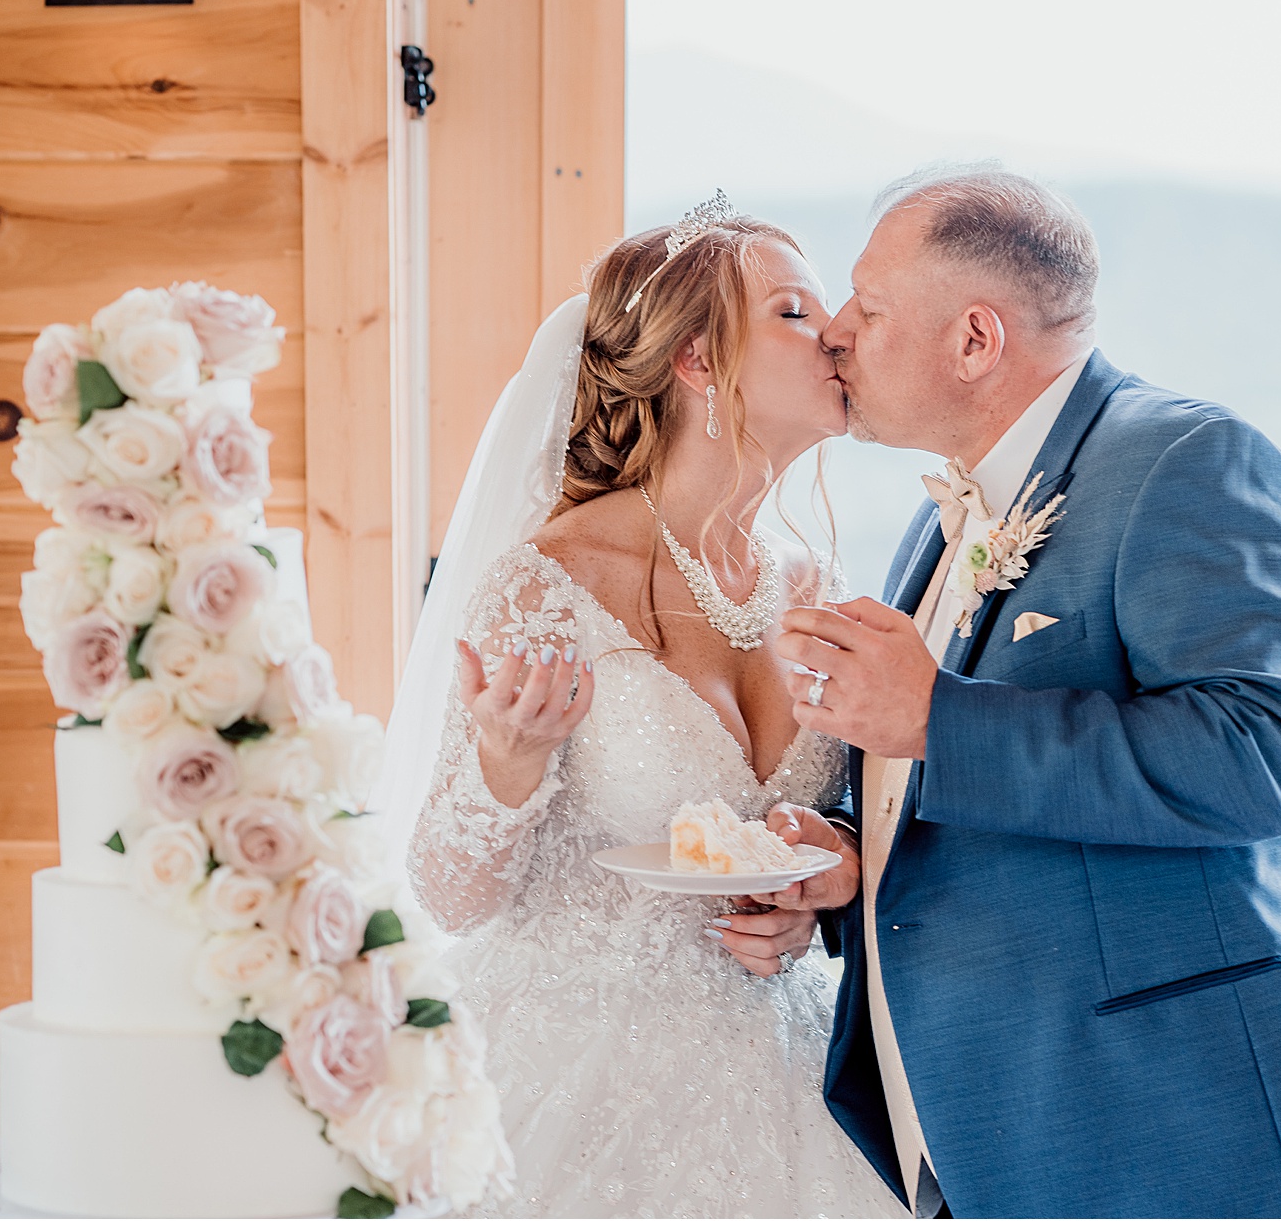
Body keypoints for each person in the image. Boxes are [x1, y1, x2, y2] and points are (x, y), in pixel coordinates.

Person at [761, 167, 1281, 1218]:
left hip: (1178, 1134)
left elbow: (1256, 759)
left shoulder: (1190, 462)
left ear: (974, 340)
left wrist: (935, 719)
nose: (839, 332)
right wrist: (846, 857)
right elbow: (948, 789)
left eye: (869, 304)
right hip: (995, 1127)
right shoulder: (940, 515)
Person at [380, 196, 904, 1217]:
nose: (836, 331)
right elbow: (448, 894)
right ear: (699, 364)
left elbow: (837, 824)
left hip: (787, 1070)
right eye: (795, 313)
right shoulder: (548, 584)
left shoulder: (814, 583)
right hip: (577, 1075)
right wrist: (505, 762)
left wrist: (810, 887)